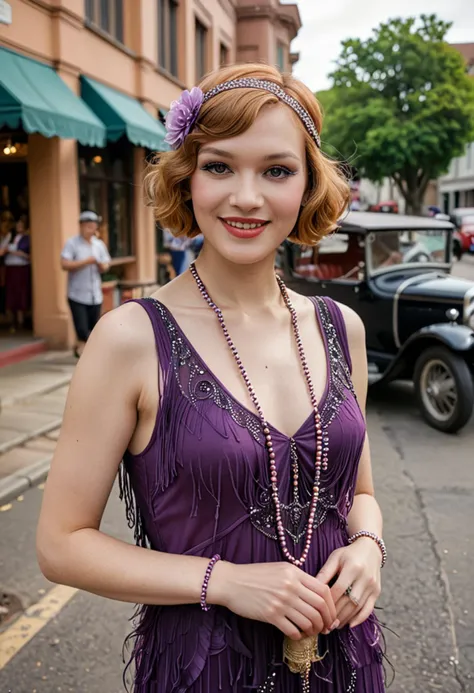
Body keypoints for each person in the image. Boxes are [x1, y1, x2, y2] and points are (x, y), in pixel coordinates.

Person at [37, 64, 387, 692]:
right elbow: (61, 544)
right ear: (187, 178)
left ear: (307, 186)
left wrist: (368, 549)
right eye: (220, 166)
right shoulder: (130, 338)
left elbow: (358, 493)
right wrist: (223, 581)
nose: (246, 197)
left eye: (276, 171)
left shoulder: (342, 329)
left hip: (342, 659)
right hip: (204, 669)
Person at [60, 211, 111, 357]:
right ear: (81, 226)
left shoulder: (99, 244)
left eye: (93, 227)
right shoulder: (72, 243)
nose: (91, 230)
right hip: (77, 293)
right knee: (82, 329)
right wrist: (85, 262)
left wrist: (102, 266)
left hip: (95, 293)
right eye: (88, 226)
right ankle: (89, 351)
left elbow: (106, 263)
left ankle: (82, 351)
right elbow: (64, 264)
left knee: (93, 327)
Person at [2, 216, 31, 332]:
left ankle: (21, 322)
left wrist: (13, 252)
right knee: (11, 294)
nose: (18, 227)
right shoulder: (10, 237)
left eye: (21, 225)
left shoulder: (27, 238)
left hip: (21, 268)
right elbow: (2, 250)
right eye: (17, 225)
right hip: (10, 268)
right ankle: (12, 321)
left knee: (21, 294)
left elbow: (27, 255)